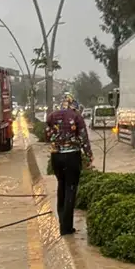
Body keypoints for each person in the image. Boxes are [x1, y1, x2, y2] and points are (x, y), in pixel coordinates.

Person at [46, 94, 92, 236]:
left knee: (61, 185)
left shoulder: (51, 116)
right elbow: (83, 138)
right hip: (72, 156)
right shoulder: (76, 117)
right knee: (71, 188)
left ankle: (61, 223)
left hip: (56, 156)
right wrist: (89, 155)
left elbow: (47, 135)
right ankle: (67, 227)